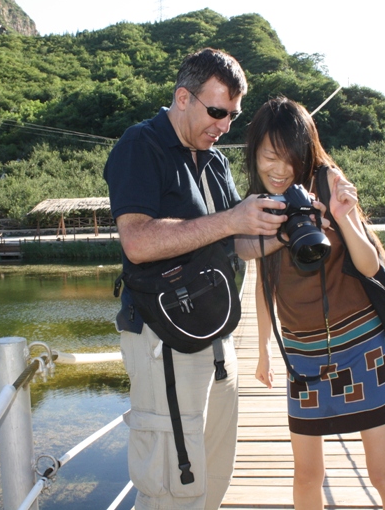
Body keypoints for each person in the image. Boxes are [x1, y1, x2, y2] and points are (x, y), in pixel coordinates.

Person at [103, 48, 288, 510]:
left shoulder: (215, 160)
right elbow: (138, 242)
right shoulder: (139, 145)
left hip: (219, 339)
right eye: (217, 111)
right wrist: (231, 220)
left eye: (233, 116)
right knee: (171, 484)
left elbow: (236, 246)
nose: (224, 125)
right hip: (163, 343)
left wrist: (280, 231)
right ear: (183, 98)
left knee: (212, 477)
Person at [245, 97, 385, 510]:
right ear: (254, 154)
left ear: (305, 152)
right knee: (306, 475)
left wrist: (342, 215)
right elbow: (264, 282)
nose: (280, 170)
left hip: (359, 345)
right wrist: (264, 348)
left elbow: (369, 264)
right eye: (269, 156)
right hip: (302, 354)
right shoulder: (256, 203)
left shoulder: (325, 182)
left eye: (289, 157)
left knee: (383, 470)